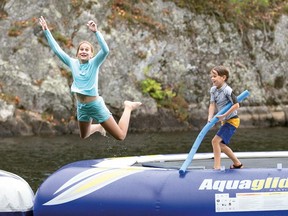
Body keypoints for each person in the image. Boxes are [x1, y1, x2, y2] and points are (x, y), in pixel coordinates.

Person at [39, 16, 141, 140]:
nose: (84, 51)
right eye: (81, 49)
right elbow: (57, 50)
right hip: (81, 106)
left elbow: (105, 50)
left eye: (87, 50)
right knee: (84, 135)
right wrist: (46, 31)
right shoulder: (72, 63)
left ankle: (128, 107)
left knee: (120, 136)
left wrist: (96, 32)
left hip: (95, 105)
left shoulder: (94, 63)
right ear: (77, 54)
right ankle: (98, 127)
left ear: (91, 54)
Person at [207, 66, 243, 170]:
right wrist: (210, 118)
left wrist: (223, 115)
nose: (212, 78)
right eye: (211, 76)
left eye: (215, 76)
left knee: (215, 141)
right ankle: (237, 164)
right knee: (221, 144)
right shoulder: (213, 90)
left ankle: (216, 167)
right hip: (225, 121)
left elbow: (236, 105)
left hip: (232, 120)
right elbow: (212, 105)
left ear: (223, 77)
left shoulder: (228, 90)